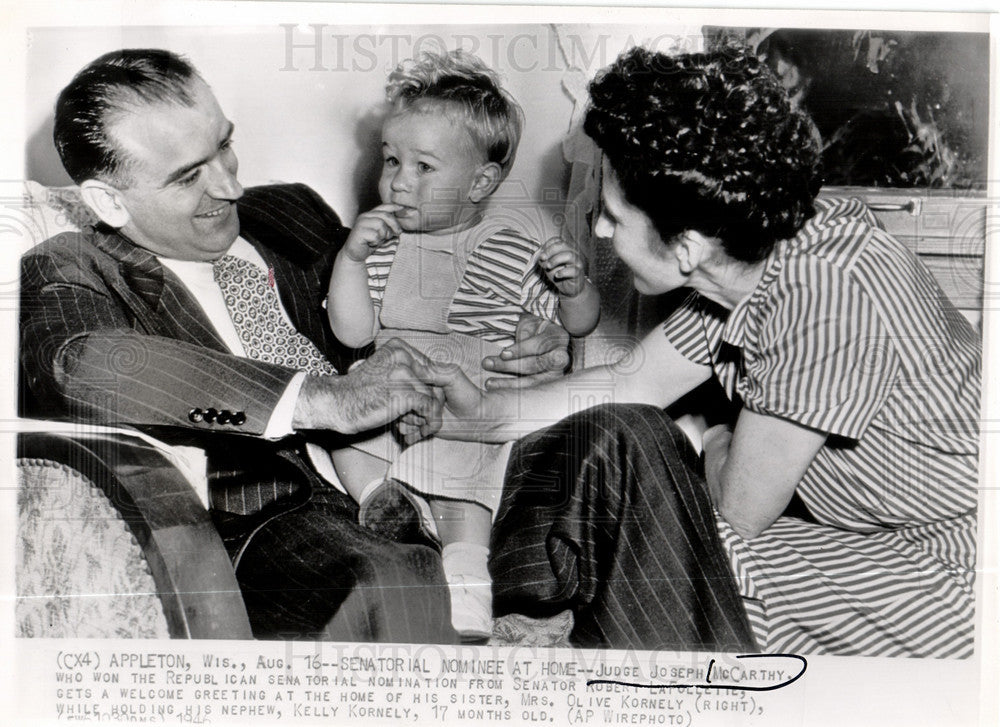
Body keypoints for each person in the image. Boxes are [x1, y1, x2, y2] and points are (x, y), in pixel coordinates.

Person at [436, 44, 980, 658]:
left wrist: (708, 431)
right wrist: (466, 411)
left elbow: (740, 511)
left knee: (681, 546)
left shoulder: (826, 295)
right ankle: (508, 592)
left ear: (687, 245)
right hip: (868, 526)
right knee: (623, 456)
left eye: (614, 215)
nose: (600, 232)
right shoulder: (744, 259)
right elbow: (625, 384)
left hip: (953, 566)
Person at [18, 48, 561, 644]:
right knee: (394, 576)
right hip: (284, 520)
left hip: (441, 465)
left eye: (224, 145)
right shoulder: (70, 267)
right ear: (108, 201)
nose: (231, 185)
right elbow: (82, 364)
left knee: (621, 444)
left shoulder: (290, 210)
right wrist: (322, 399)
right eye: (189, 175)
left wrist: (527, 341)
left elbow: (421, 290)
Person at [327, 50, 600, 640]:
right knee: (338, 434)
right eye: (392, 160)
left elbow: (573, 327)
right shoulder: (382, 244)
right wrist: (350, 259)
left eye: (424, 167)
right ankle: (387, 503)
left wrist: (575, 289)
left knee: (461, 486)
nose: (399, 180)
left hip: (469, 408)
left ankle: (467, 579)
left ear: (481, 181)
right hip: (395, 396)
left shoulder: (508, 247)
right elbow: (352, 333)